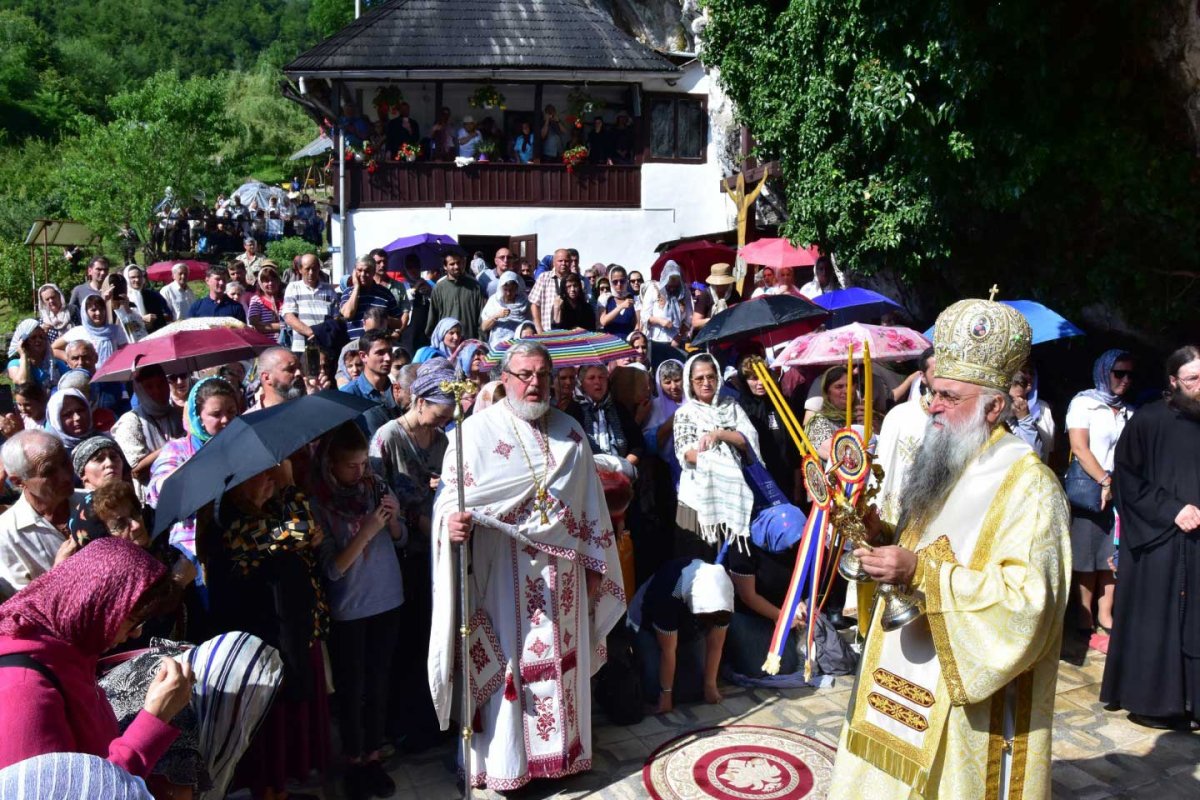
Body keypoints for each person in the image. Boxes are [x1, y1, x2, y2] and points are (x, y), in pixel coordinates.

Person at [826, 297, 1069, 800]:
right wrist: (879, 536)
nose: (932, 405)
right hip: (897, 673)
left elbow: (1029, 604)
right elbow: (920, 540)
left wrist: (922, 574)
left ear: (994, 406)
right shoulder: (944, 455)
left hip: (963, 701)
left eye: (948, 397)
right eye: (932, 392)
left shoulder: (1031, 486)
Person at [428, 341, 626, 792]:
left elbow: (592, 513)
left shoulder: (572, 433)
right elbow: (448, 502)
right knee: (509, 670)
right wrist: (451, 523)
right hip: (502, 576)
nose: (533, 383)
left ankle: (563, 759)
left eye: (541, 374)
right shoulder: (474, 433)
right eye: (523, 374)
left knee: (562, 665)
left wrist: (596, 572)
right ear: (505, 378)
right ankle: (509, 766)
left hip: (565, 583)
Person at [0, 537, 192, 776]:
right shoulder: (25, 693)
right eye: (132, 621)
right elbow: (73, 792)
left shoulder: (69, 651)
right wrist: (155, 718)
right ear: (93, 606)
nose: (137, 633)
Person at [205, 465, 330, 799]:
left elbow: (302, 531)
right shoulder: (236, 526)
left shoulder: (267, 513)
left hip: (287, 634)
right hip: (261, 643)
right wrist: (291, 486)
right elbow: (302, 530)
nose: (270, 481)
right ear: (237, 488)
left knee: (288, 723)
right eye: (261, 476)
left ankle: (282, 790)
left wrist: (303, 528)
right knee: (268, 728)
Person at [1100, 344, 1200, 731]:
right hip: (1159, 542)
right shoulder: (1148, 421)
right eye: (1192, 379)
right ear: (1173, 381)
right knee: (1156, 622)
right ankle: (1156, 703)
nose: (1199, 386)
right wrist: (1172, 509)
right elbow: (1126, 477)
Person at [310, 423, 404, 800]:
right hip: (350, 606)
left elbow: (401, 539)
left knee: (380, 680)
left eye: (365, 463)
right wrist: (365, 531)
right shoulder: (319, 503)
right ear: (331, 465)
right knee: (353, 687)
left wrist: (394, 520)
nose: (361, 472)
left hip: (388, 598)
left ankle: (374, 756)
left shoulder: (376, 486)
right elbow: (332, 568)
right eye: (351, 465)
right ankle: (353, 760)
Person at [1065, 349, 1134, 635]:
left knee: (1112, 553)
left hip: (1120, 488)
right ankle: (1083, 617)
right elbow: (1079, 447)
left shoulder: (1130, 410)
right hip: (1090, 487)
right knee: (1087, 554)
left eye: (1130, 374)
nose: (1126, 380)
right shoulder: (1084, 403)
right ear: (1104, 372)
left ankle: (1106, 615)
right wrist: (1105, 481)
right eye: (1119, 373)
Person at [672, 354, 760, 562]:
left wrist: (718, 434)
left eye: (711, 377)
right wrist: (719, 465)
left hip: (733, 493)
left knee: (733, 562)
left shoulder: (731, 406)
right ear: (690, 382)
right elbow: (686, 453)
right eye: (699, 379)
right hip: (698, 498)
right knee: (698, 562)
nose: (706, 383)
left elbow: (747, 440)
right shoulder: (685, 413)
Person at [147, 378, 238, 560]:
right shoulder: (178, 449)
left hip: (238, 544)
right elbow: (157, 493)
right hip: (192, 549)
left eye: (231, 412)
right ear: (198, 417)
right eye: (216, 414)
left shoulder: (241, 445)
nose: (226, 419)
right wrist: (201, 461)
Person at [627, 558, 733, 713]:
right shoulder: (669, 591)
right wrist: (666, 696)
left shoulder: (724, 596)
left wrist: (710, 686)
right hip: (646, 625)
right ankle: (636, 656)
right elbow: (668, 651)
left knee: (694, 690)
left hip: (687, 628)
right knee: (654, 691)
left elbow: (716, 645)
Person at [0, 431, 81, 599]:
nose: (66, 476)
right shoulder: (6, 535)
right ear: (18, 481)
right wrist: (58, 575)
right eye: (49, 471)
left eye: (65, 462)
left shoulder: (95, 501)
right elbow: (23, 607)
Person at [110, 366, 184, 502]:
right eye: (149, 387)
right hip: (151, 498)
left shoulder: (175, 414)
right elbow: (137, 470)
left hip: (182, 488)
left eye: (161, 384)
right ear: (140, 390)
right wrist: (172, 446)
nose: (158, 391)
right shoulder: (131, 421)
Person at [734, 356, 803, 502]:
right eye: (753, 378)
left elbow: (794, 446)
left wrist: (798, 486)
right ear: (745, 381)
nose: (760, 383)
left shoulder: (783, 403)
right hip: (761, 480)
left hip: (787, 476)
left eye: (763, 377)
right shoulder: (741, 410)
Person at [567, 364, 643, 476]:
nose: (598, 382)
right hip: (587, 476)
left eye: (602, 377)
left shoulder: (618, 408)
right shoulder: (574, 410)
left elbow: (637, 444)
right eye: (591, 378)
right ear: (582, 383)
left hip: (621, 476)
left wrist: (623, 467)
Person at [340, 330, 398, 438]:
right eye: (380, 353)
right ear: (363, 356)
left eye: (390, 352)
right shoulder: (348, 395)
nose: (388, 358)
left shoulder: (399, 391)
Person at [282, 253, 339, 356]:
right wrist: (311, 333)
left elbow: (336, 318)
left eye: (314, 269)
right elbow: (289, 317)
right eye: (307, 269)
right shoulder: (293, 287)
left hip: (325, 347)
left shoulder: (329, 290)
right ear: (300, 270)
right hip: (301, 347)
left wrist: (322, 335)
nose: (311, 272)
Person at [53, 295, 129, 370]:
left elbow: (126, 353)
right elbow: (53, 348)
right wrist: (70, 359)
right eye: (93, 310)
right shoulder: (78, 332)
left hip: (112, 376)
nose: (98, 313)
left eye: (101, 309)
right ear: (85, 312)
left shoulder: (115, 330)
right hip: (86, 377)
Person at [340, 256, 401, 341]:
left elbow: (399, 323)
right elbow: (348, 314)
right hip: (354, 346)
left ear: (373, 272)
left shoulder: (385, 293)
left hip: (378, 345)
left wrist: (383, 319)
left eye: (367, 271)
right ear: (354, 272)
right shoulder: (348, 293)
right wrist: (356, 288)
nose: (363, 274)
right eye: (359, 270)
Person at [426, 253, 485, 341]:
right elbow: (433, 316)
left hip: (469, 340)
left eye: (458, 263)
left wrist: (480, 339)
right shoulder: (439, 288)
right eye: (452, 264)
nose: (456, 266)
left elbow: (481, 316)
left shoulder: (474, 286)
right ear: (445, 266)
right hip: (447, 342)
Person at [1007, 368, 1055, 461]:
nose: (1028, 377)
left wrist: (1024, 418)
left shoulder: (1043, 407)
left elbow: (1038, 453)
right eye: (1024, 372)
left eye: (1031, 373)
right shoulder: (999, 412)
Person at [6, 320, 65, 390]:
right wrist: (23, 355)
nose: (38, 340)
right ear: (24, 342)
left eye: (42, 337)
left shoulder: (56, 365)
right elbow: (22, 382)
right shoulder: (15, 364)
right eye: (33, 337)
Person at [644, 261, 691, 348]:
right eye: (670, 286)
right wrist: (659, 321)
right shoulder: (653, 289)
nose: (672, 289)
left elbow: (689, 318)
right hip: (656, 340)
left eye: (675, 286)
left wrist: (679, 337)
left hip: (677, 341)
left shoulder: (684, 291)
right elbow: (645, 316)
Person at [480, 272, 531, 346]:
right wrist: (497, 316)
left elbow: (529, 325)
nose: (508, 293)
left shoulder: (523, 303)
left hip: (518, 345)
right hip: (498, 345)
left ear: (517, 288)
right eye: (505, 289)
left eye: (511, 290)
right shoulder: (494, 301)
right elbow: (484, 327)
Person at [528, 248, 570, 333]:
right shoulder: (544, 278)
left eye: (566, 261)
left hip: (569, 331)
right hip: (547, 330)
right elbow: (534, 304)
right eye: (560, 261)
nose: (563, 264)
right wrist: (539, 328)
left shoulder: (575, 280)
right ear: (554, 262)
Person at [45, 389, 94, 459]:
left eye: (80, 410)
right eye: (68, 414)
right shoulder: (53, 456)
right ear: (56, 421)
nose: (77, 417)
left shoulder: (104, 439)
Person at [691, 263, 740, 333]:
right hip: (709, 336)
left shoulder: (734, 294)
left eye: (724, 283)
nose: (722, 286)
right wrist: (714, 320)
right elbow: (695, 323)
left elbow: (738, 317)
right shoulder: (706, 295)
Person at [123, 265, 170, 333]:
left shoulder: (152, 295)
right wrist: (141, 320)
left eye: (139, 276)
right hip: (136, 336)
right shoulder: (124, 299)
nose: (137, 280)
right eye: (133, 277)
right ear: (127, 279)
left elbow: (164, 316)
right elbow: (124, 325)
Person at [598, 266, 638, 338]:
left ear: (626, 281)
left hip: (628, 343)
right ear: (610, 282)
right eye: (615, 282)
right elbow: (603, 321)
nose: (619, 284)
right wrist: (621, 306)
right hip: (610, 343)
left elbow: (637, 325)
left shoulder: (634, 299)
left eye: (622, 281)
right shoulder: (605, 298)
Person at [247, 263, 286, 337]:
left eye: (273, 280)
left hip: (286, 343)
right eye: (266, 281)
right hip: (266, 344)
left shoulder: (286, 299)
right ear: (260, 283)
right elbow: (256, 326)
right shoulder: (256, 300)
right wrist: (283, 326)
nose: (270, 283)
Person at [67, 256, 110, 323]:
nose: (103, 273)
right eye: (99, 269)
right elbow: (71, 313)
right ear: (90, 271)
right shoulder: (79, 291)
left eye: (105, 270)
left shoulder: (112, 290)